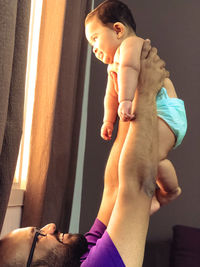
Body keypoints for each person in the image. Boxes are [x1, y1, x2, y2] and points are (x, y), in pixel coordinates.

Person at [0, 40, 168, 267]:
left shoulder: (77, 256)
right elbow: (139, 185)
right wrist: (146, 91)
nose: (50, 226)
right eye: (38, 237)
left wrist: (126, 99)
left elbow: (113, 188)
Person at [85, 0, 187, 211]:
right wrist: (108, 120)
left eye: (95, 39)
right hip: (155, 112)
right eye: (91, 44)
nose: (94, 49)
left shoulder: (131, 45)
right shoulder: (113, 66)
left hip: (166, 111)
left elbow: (130, 69)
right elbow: (110, 95)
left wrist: (126, 100)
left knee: (149, 157)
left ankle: (169, 192)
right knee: (149, 159)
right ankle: (166, 192)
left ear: (118, 29)